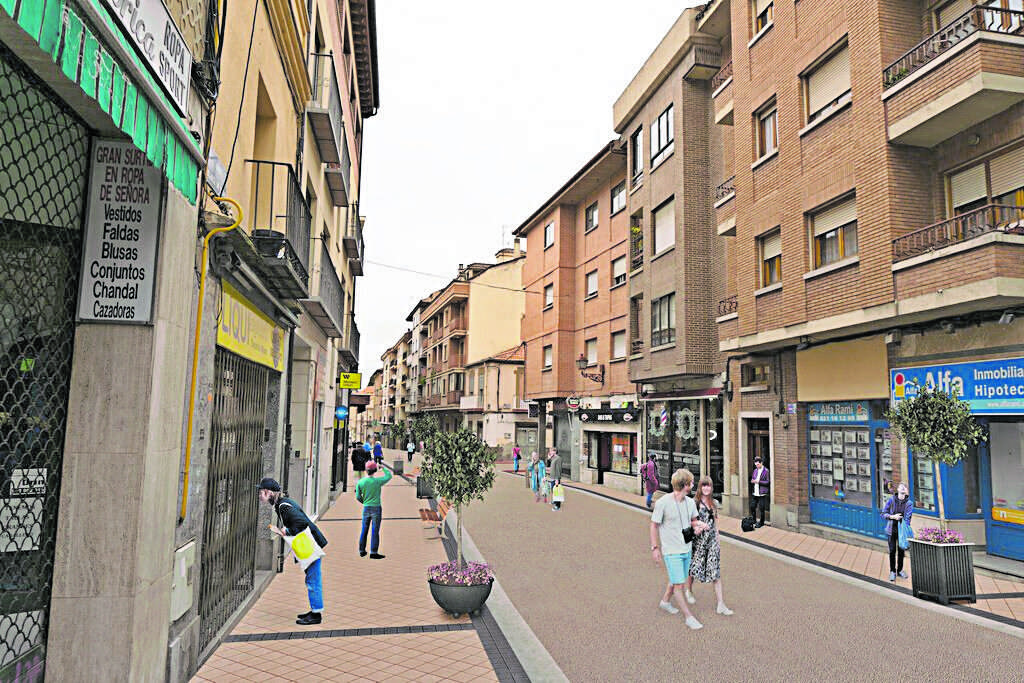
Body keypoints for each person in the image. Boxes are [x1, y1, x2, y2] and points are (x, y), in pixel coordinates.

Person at [258, 477, 328, 625]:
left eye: (262, 493)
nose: (260, 496)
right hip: (311, 544)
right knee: (311, 578)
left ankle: (316, 615)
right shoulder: (282, 504)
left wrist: (286, 530)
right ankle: (315, 610)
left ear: (269, 492)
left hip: (311, 546)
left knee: (313, 579)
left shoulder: (284, 507)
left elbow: (301, 522)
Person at [650, 468, 707, 630]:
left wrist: (700, 525)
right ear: (685, 485)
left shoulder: (690, 503)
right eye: (691, 482)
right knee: (678, 584)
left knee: (678, 578)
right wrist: (655, 548)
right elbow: (654, 525)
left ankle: (665, 602)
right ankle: (689, 617)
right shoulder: (663, 503)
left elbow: (694, 521)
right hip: (671, 550)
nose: (693, 484)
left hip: (686, 548)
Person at [686, 476, 733, 616]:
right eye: (704, 485)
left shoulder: (714, 503)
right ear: (700, 487)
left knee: (715, 572)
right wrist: (698, 527)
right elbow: (689, 522)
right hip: (698, 541)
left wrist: (718, 540)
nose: (706, 488)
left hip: (711, 541)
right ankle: (688, 590)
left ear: (712, 488)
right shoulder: (694, 503)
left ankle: (721, 604)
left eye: (709, 486)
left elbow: (716, 523)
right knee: (693, 567)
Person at [356, 461, 393, 559]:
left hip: (366, 508)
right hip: (376, 508)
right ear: (374, 470)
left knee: (364, 529)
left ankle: (362, 550)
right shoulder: (377, 481)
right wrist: (383, 468)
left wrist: (364, 502)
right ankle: (373, 552)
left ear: (366, 470)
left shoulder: (361, 482)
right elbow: (389, 476)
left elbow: (358, 496)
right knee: (375, 530)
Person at [882, 482, 913, 582]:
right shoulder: (891, 500)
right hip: (891, 529)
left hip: (902, 531)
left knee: (901, 551)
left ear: (906, 491)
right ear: (898, 490)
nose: (903, 488)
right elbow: (883, 514)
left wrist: (905, 526)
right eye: (901, 487)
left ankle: (899, 570)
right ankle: (892, 571)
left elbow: (908, 518)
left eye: (905, 487)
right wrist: (892, 517)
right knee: (892, 551)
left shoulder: (909, 503)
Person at [750, 456, 770, 528]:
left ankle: (761, 522)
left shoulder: (766, 471)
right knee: (752, 506)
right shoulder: (755, 471)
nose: (757, 466)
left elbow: (767, 482)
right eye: (756, 465)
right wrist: (752, 481)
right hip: (755, 492)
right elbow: (753, 478)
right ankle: (754, 520)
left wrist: (759, 481)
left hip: (762, 493)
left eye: (758, 464)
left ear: (761, 463)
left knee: (762, 508)